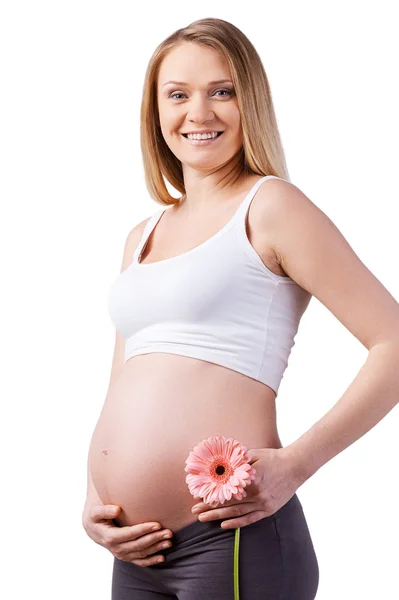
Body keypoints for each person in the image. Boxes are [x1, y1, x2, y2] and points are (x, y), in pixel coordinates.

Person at [82, 17, 399, 600]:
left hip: (229, 536)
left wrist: (295, 464)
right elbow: (123, 380)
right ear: (156, 112)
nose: (198, 113)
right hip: (135, 551)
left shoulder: (270, 206)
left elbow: (394, 343)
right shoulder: (142, 234)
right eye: (177, 94)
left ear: (249, 100)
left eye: (220, 91)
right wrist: (93, 498)